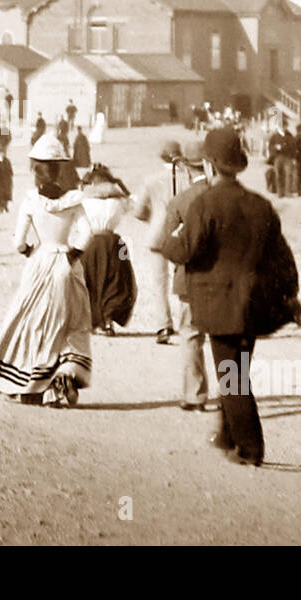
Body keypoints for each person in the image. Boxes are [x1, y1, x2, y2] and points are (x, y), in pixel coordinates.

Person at [161, 127, 298, 467]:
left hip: (216, 304)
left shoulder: (204, 204)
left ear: (208, 164)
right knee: (237, 369)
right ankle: (227, 434)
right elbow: (282, 257)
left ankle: (251, 448)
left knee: (232, 376)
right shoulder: (260, 206)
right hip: (253, 303)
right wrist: (289, 296)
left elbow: (185, 251)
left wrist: (168, 241)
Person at [0, 135, 92, 407]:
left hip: (39, 263)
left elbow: (18, 242)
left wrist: (32, 252)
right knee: (69, 325)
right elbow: (87, 233)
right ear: (60, 169)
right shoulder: (74, 200)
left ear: (35, 170)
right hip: (66, 263)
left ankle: (29, 385)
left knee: (33, 324)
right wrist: (71, 256)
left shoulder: (30, 200)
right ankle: (62, 378)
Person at [159, 139, 212, 410]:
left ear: (186, 168)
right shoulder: (223, 196)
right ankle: (235, 399)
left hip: (190, 279)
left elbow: (165, 242)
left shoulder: (179, 201)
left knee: (191, 336)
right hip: (223, 280)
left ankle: (195, 395)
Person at [133, 139, 197, 345]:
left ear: (161, 156)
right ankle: (188, 323)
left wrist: (153, 219)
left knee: (159, 283)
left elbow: (138, 211)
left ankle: (163, 326)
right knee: (184, 280)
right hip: (182, 235)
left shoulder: (151, 180)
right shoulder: (188, 179)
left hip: (157, 235)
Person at [77, 164, 135, 338]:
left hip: (91, 242)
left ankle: (93, 320)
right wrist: (120, 185)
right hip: (114, 242)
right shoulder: (117, 202)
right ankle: (108, 319)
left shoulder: (84, 201)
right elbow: (132, 202)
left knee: (91, 281)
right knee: (117, 281)